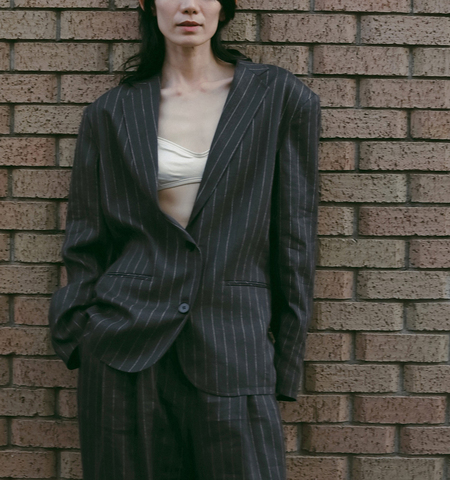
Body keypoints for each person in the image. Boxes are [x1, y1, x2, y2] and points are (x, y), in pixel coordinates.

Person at [48, 0, 321, 478]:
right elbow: (86, 235)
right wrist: (80, 335)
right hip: (124, 351)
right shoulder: (112, 111)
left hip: (233, 348)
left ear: (223, 7)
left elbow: (295, 236)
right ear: (149, 5)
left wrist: (285, 359)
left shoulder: (278, 96)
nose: (189, 5)